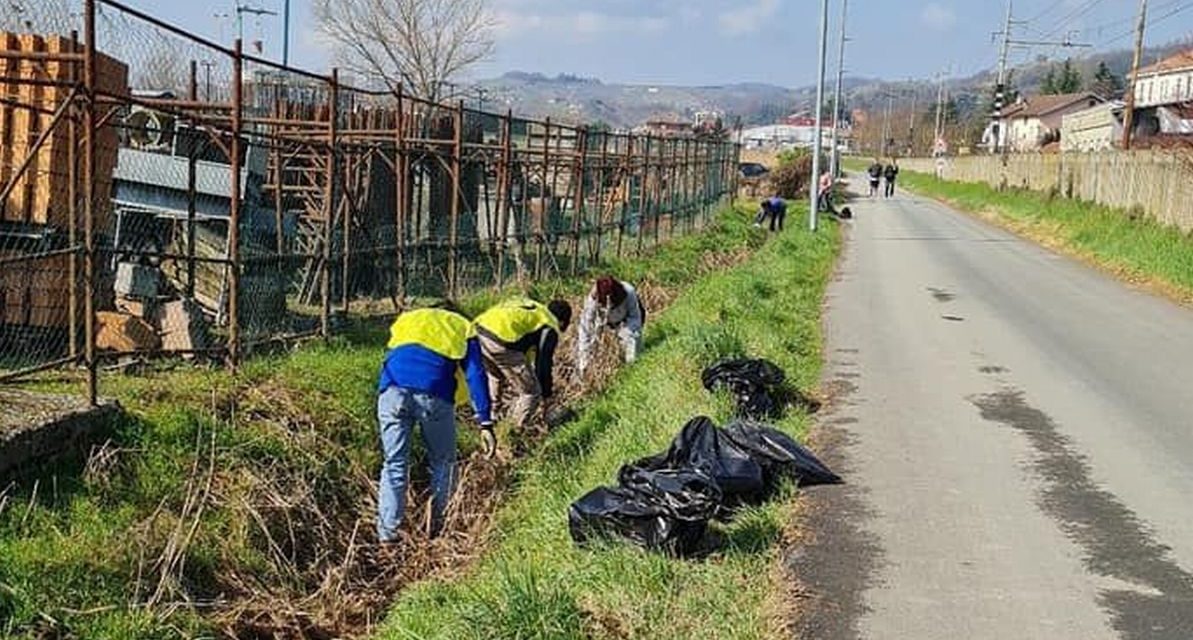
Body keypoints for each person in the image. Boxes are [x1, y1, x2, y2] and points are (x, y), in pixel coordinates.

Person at [376, 305, 494, 542]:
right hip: (434, 393)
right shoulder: (463, 326)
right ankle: (440, 531)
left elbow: (395, 355)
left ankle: (387, 536)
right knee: (444, 463)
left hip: (390, 391)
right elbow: (475, 374)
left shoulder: (407, 319)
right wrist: (485, 421)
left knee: (394, 463)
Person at [474, 297, 572, 429]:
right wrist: (547, 396)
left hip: (479, 333)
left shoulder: (536, 311)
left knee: (496, 376)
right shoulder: (550, 325)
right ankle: (512, 430)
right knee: (531, 391)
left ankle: (490, 421)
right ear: (562, 322)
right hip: (501, 340)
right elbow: (543, 366)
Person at [576, 276, 645, 378]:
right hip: (605, 321)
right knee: (593, 341)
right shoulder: (594, 298)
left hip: (626, 319)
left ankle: (632, 370)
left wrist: (628, 339)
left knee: (631, 343)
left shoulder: (628, 292)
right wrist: (584, 360)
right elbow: (585, 329)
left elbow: (635, 319)